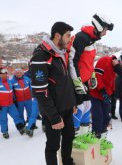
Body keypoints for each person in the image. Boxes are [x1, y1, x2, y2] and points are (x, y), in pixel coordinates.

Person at [30, 22, 76, 165]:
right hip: (53, 111)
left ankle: (67, 162)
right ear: (57, 36)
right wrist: (54, 117)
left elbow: (66, 81)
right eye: (68, 36)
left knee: (69, 138)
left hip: (67, 106)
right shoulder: (41, 56)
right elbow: (39, 91)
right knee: (53, 145)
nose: (69, 39)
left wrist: (72, 102)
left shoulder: (62, 53)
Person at [68, 13, 114, 133]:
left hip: (85, 81)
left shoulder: (92, 41)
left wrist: (92, 75)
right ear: (99, 26)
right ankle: (75, 137)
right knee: (79, 108)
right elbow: (72, 61)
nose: (105, 33)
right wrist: (77, 82)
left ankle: (83, 134)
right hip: (76, 81)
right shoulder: (80, 38)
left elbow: (89, 63)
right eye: (105, 30)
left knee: (87, 106)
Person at [90, 55, 117, 138]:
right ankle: (96, 135)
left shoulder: (115, 68)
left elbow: (112, 81)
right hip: (96, 94)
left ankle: (102, 137)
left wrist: (113, 92)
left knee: (106, 118)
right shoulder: (104, 60)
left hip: (106, 95)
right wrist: (103, 91)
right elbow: (98, 76)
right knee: (98, 117)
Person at [0, 67, 25, 139]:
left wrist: (14, 100)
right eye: (2, 74)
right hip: (2, 106)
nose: (4, 75)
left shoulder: (9, 81)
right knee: (3, 119)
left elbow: (12, 92)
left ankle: (20, 128)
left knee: (16, 116)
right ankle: (5, 132)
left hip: (11, 104)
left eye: (5, 73)